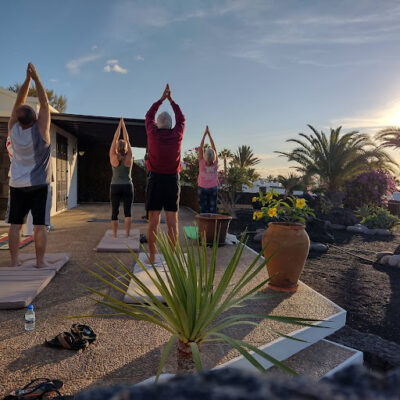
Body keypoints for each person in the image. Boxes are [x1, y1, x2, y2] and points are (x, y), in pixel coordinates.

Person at [6, 63, 52, 268]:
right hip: (39, 185)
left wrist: (25, 81)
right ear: (35, 118)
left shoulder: (13, 130)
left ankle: (15, 262)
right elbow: (44, 101)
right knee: (40, 225)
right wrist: (36, 79)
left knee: (15, 225)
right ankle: (40, 262)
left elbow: (18, 102)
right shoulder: (41, 131)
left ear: (17, 118)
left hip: (17, 185)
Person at [145, 84, 185, 263]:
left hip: (155, 180)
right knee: (172, 222)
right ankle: (171, 259)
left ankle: (153, 257)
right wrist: (171, 100)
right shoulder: (177, 135)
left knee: (153, 220)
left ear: (158, 124)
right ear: (171, 125)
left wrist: (161, 100)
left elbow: (148, 116)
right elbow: (181, 118)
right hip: (171, 181)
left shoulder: (152, 133)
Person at [109, 118, 134, 238]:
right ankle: (127, 235)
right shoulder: (129, 157)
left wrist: (119, 126)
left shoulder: (113, 157)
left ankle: (114, 235)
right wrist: (124, 126)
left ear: (116, 148)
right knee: (127, 212)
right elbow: (127, 139)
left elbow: (114, 138)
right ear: (126, 149)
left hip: (115, 186)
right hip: (127, 186)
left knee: (115, 212)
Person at [197, 126, 219, 214]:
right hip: (213, 188)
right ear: (214, 156)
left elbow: (201, 147)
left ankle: (204, 227)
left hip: (202, 187)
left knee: (203, 210)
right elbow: (214, 147)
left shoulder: (202, 162)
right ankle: (213, 227)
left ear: (205, 156)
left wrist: (205, 135)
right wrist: (209, 135)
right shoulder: (216, 162)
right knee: (213, 209)